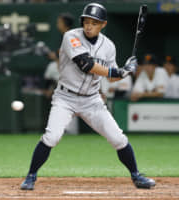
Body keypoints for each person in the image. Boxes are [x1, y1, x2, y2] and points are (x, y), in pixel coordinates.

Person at [20, 3, 155, 190]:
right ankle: (30, 176)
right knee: (52, 137)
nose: (89, 26)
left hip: (91, 100)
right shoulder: (71, 37)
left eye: (94, 23)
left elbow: (112, 76)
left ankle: (136, 176)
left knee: (118, 138)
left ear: (103, 24)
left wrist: (127, 71)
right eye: (86, 22)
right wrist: (119, 70)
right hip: (65, 97)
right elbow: (86, 64)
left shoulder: (108, 46)